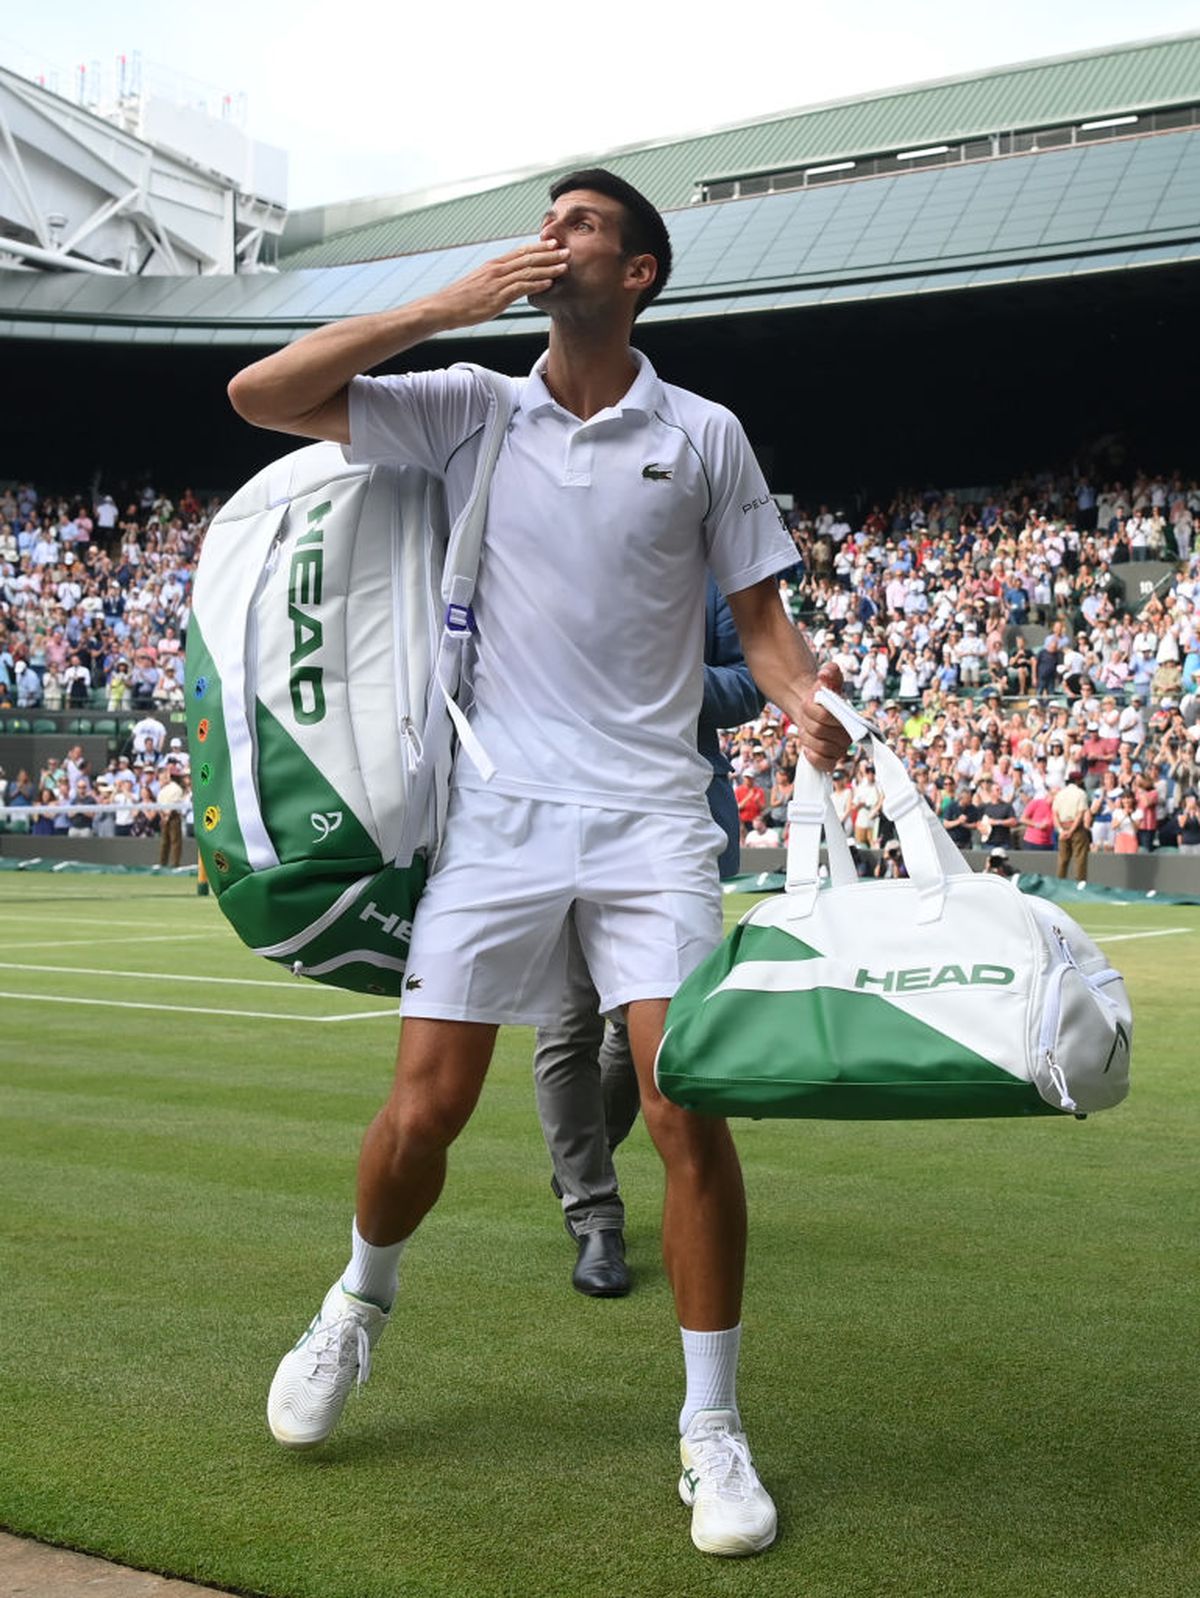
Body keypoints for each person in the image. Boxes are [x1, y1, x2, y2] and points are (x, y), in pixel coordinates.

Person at [227, 167, 848, 1558]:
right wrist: (447, 303)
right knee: (424, 1110)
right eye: (551, 220)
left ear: (639, 275)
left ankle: (711, 1427)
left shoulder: (704, 435)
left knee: (689, 1109)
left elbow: (761, 627)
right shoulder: (467, 404)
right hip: (499, 815)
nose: (553, 236)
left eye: (583, 225)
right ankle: (357, 1305)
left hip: (652, 819)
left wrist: (806, 698)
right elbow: (262, 397)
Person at [532, 579, 760, 1297]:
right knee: (565, 1026)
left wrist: (655, 672)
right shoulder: (543, 559)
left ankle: (581, 1159)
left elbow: (752, 685)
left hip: (667, 824)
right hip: (550, 816)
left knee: (645, 1038)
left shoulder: (707, 581)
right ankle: (595, 1215)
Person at [1052, 770, 1091, 882]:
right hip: (1077, 829)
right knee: (1080, 860)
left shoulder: (1060, 794)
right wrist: (1071, 831)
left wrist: (1060, 831)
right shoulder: (1081, 793)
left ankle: (1059, 885)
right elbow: (1080, 815)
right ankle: (1079, 887)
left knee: (1062, 860)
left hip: (1063, 828)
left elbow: (1055, 814)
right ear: (1078, 781)